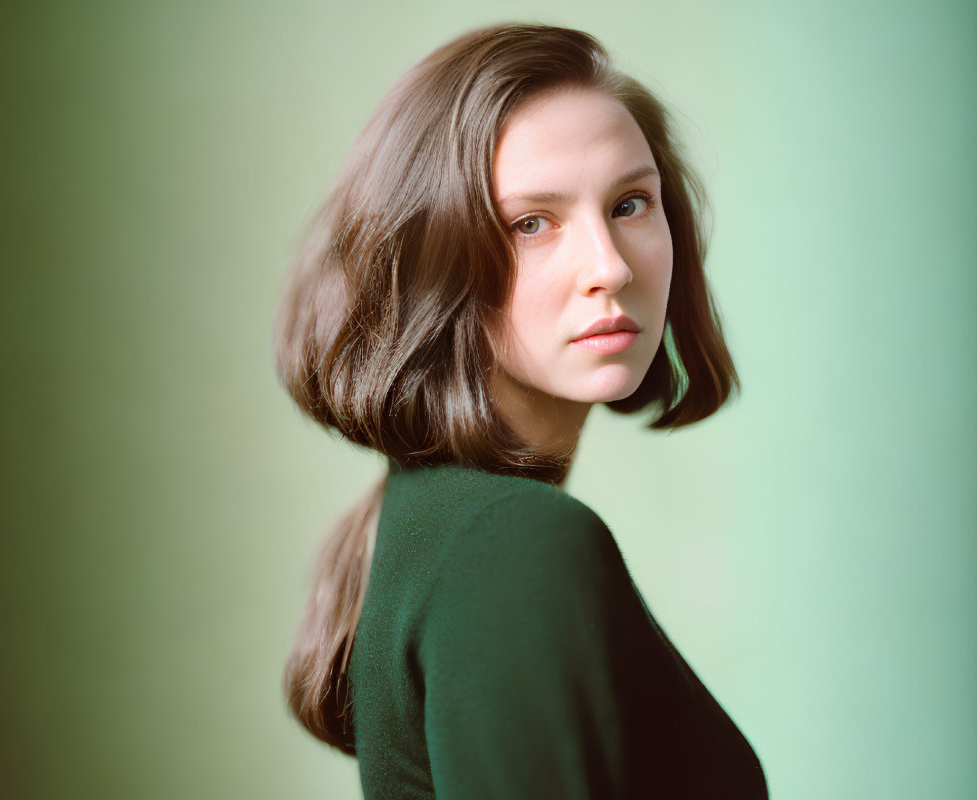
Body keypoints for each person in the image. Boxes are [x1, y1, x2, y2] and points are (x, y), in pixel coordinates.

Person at [276, 23, 768, 799]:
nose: (607, 266)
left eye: (631, 203)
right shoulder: (510, 543)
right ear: (430, 261)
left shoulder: (430, 519)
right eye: (531, 223)